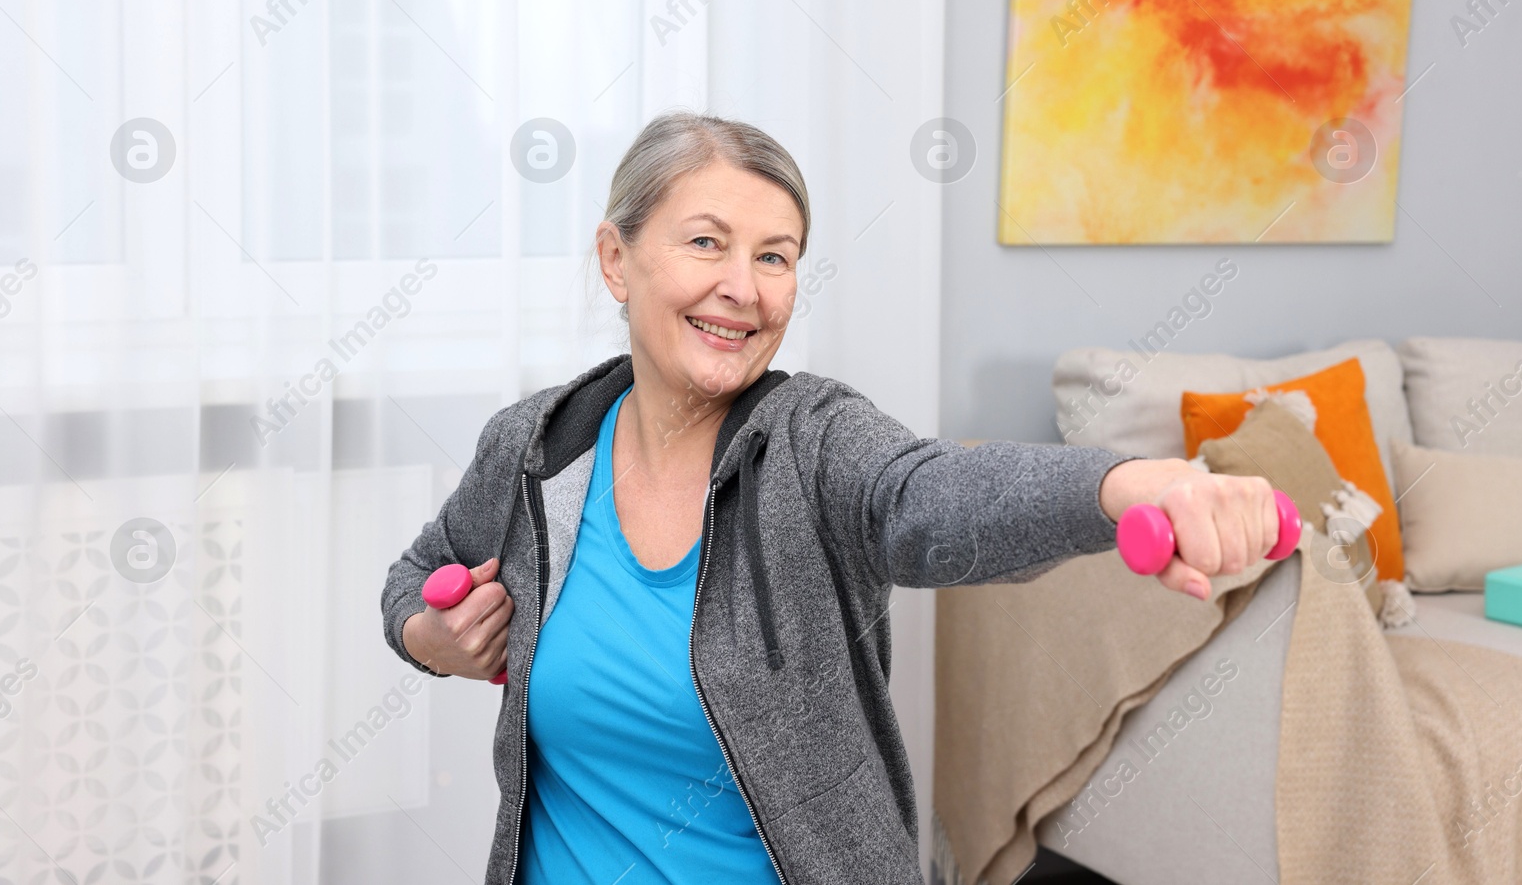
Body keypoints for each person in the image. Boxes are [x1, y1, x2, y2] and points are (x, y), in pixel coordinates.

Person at [380, 112, 1279, 885]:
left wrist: (1126, 482)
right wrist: (434, 636)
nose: (745, 287)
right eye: (706, 242)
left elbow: (928, 495)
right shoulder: (540, 444)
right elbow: (416, 579)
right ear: (617, 260)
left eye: (776, 256)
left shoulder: (811, 441)